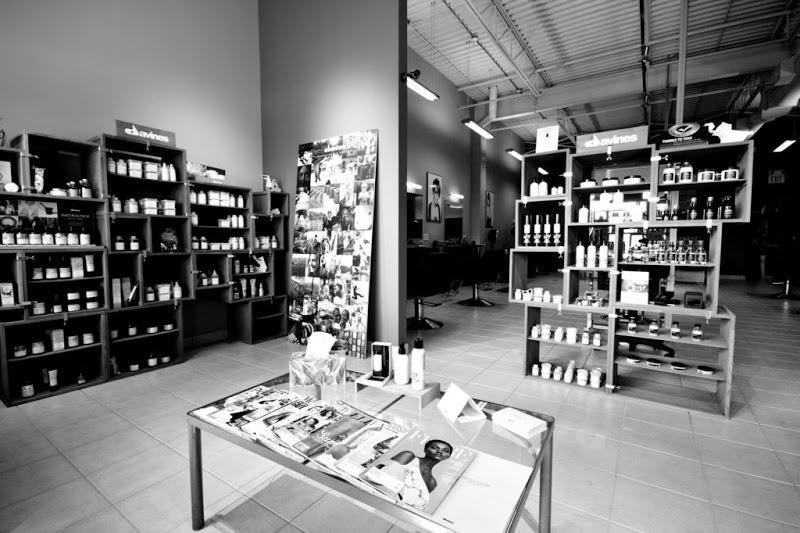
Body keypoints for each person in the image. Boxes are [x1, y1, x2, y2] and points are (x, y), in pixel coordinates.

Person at [375, 440, 453, 508]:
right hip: (376, 499)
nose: (439, 452)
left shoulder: (432, 483)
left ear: (448, 456)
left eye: (445, 451)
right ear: (425, 449)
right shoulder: (408, 456)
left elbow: (413, 505)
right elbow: (381, 479)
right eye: (434, 448)